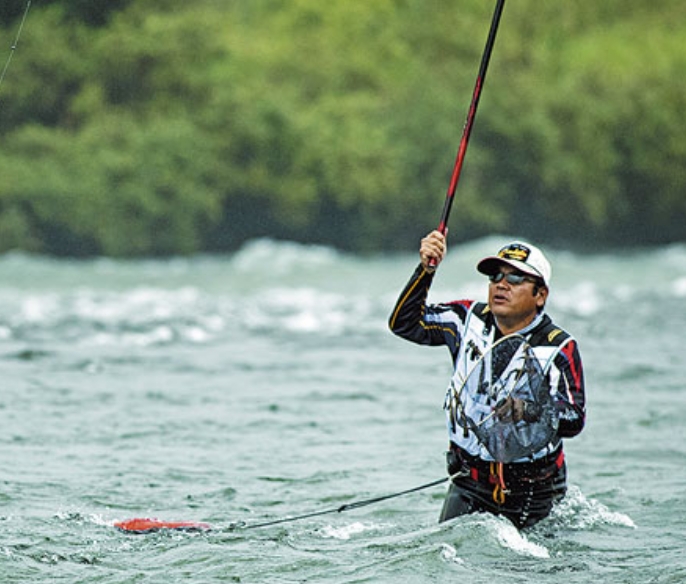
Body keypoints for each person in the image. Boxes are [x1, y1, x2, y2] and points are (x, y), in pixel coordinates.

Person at [389, 231, 585, 529]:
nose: (501, 285)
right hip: (468, 482)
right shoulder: (465, 317)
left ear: (540, 295)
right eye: (495, 276)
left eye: (516, 279)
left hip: (532, 491)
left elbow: (574, 418)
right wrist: (426, 271)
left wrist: (531, 409)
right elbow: (404, 324)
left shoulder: (559, 347)